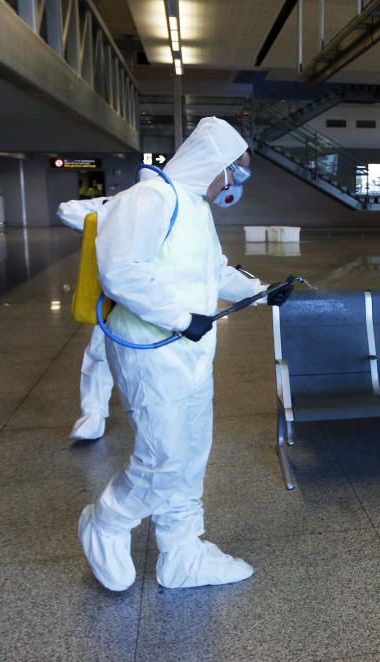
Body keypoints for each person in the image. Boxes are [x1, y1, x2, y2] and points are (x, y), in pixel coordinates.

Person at [78, 117, 294, 591]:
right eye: (235, 172)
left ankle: (182, 553)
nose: (235, 183)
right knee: (165, 458)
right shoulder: (147, 200)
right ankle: (106, 522)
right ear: (213, 164)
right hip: (150, 350)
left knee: (193, 451)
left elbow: (212, 271)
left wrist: (261, 292)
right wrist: (180, 317)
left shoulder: (194, 207)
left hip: (191, 351)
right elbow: (122, 271)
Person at [57, 198, 114, 441]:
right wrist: (108, 212)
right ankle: (93, 414)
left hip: (160, 299)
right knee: (100, 354)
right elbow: (67, 210)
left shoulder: (182, 209)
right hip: (115, 297)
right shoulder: (117, 206)